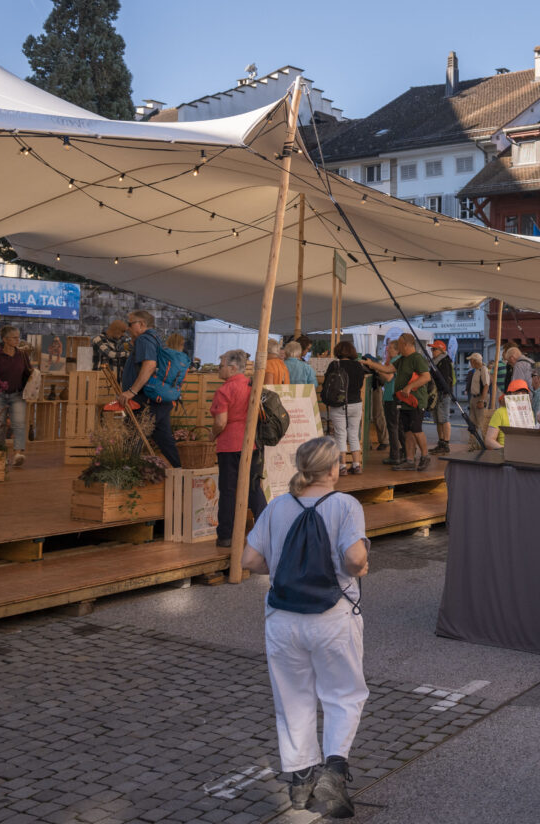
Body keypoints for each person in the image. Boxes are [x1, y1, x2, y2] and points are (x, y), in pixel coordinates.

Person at [241, 435, 369, 820]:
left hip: (282, 618)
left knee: (292, 699)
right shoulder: (345, 505)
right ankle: (333, 769)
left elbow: (250, 559)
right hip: (332, 618)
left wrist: (281, 568)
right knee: (343, 694)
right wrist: (361, 565)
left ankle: (300, 780)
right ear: (333, 469)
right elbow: (353, 559)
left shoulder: (278, 506)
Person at [212, 349, 269, 549]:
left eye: (221, 366)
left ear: (233, 367)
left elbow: (221, 422)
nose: (218, 370)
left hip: (229, 445)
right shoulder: (252, 384)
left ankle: (226, 535)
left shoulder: (224, 391)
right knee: (254, 489)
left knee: (228, 490)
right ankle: (268, 530)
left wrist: (213, 434)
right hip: (252, 443)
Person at [117, 310, 181, 468]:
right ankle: (181, 472)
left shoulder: (144, 339)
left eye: (130, 324)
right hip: (156, 399)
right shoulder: (155, 338)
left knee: (134, 434)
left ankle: (127, 474)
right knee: (163, 438)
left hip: (145, 399)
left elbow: (150, 365)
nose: (127, 327)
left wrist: (131, 391)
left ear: (142, 324)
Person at [0, 325, 31, 467]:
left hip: (17, 394)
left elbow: (29, 372)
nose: (18, 340)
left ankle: (18, 454)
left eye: (18, 337)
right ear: (5, 339)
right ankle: (1, 455)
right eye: (14, 338)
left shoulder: (23, 355)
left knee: (18, 424)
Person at [323, 342, 368, 474]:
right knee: (354, 434)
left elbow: (327, 384)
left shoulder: (334, 365)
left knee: (340, 434)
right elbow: (360, 384)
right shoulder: (359, 366)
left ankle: (342, 467)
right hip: (356, 404)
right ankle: (356, 465)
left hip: (339, 404)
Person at [391, 335, 432, 471]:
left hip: (416, 401)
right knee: (407, 431)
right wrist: (370, 364)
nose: (399, 348)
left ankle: (425, 456)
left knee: (416, 429)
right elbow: (389, 370)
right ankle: (409, 460)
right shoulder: (402, 359)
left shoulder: (417, 358)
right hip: (404, 402)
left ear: (407, 345)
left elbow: (426, 377)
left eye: (400, 345)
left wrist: (409, 387)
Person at [427, 340, 457, 455]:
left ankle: (446, 443)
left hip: (442, 394)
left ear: (441, 350)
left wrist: (443, 392)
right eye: (432, 349)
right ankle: (441, 442)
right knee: (438, 420)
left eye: (434, 349)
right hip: (437, 393)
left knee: (444, 419)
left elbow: (444, 379)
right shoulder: (436, 362)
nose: (432, 351)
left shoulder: (443, 362)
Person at [485, 379, 529, 449]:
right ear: (509, 395)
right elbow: (489, 440)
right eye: (516, 392)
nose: (520, 395)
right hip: (505, 453)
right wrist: (505, 451)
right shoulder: (500, 412)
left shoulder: (529, 413)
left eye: (524, 392)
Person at [465, 352, 489, 449]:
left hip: (479, 398)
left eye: (471, 360)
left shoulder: (483, 369)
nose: (470, 362)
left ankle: (485, 444)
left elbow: (486, 385)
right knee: (472, 423)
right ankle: (472, 444)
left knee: (481, 422)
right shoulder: (476, 370)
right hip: (474, 398)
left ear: (475, 361)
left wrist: (482, 400)